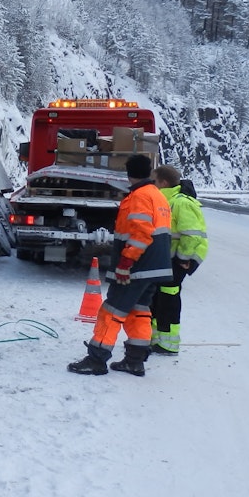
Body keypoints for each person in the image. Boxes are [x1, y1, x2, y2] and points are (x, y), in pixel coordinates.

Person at [68, 153, 172, 377]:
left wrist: (125, 263)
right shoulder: (158, 196)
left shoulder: (139, 197)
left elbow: (141, 234)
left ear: (128, 174)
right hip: (153, 267)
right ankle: (134, 361)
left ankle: (96, 359)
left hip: (137, 265)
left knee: (111, 310)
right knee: (139, 311)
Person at [148, 165, 209, 356]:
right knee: (159, 297)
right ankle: (158, 338)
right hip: (169, 259)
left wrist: (183, 259)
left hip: (178, 260)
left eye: (155, 181)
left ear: (164, 183)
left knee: (168, 299)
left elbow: (192, 235)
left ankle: (168, 343)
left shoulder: (181, 203)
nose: (153, 184)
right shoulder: (169, 200)